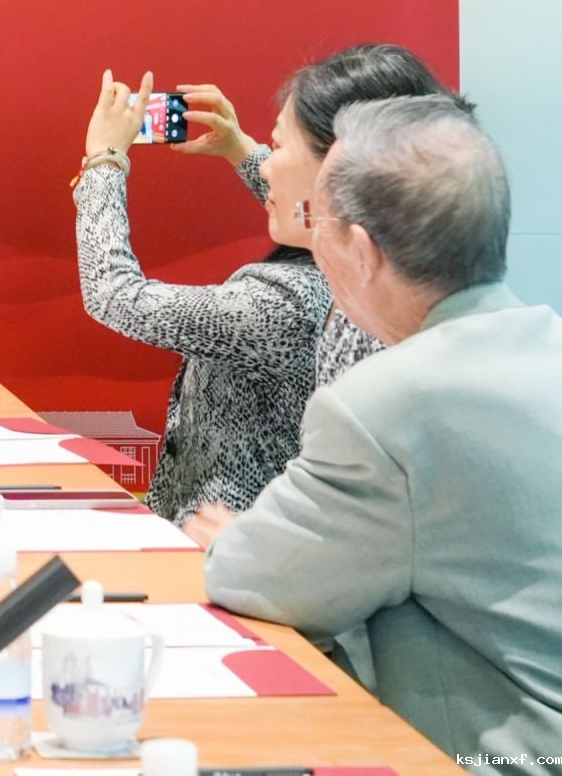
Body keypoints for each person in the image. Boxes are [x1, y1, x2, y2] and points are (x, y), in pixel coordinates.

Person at [189, 96, 562, 762]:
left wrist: (241, 539)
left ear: (360, 251)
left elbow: (251, 575)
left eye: (318, 222)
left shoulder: (387, 404)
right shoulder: (546, 343)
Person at [73, 43, 459, 525]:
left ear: (342, 169)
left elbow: (115, 295)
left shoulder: (283, 305)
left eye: (277, 148)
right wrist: (239, 148)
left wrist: (104, 162)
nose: (266, 164)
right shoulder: (377, 273)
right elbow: (318, 218)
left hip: (225, 543)